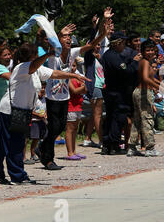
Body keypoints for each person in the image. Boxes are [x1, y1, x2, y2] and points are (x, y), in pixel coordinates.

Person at [0, 43, 90, 185]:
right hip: (12, 110)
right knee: (16, 143)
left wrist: (73, 75)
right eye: (36, 54)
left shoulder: (36, 69)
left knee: (6, 141)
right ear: (32, 56)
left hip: (21, 110)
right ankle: (18, 176)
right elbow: (35, 65)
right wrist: (48, 54)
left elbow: (54, 73)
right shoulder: (22, 68)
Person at [36, 11, 112, 170]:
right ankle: (48, 159)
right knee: (54, 128)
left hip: (64, 96)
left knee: (59, 127)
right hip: (52, 97)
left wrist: (102, 29)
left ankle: (42, 147)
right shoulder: (53, 55)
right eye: (65, 38)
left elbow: (91, 45)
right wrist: (58, 33)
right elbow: (49, 42)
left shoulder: (72, 53)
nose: (68, 39)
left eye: (69, 38)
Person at [101, 32, 140, 155]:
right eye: (123, 43)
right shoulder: (112, 56)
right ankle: (113, 145)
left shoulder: (112, 55)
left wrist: (130, 60)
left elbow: (123, 62)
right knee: (117, 118)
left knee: (111, 117)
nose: (124, 46)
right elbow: (125, 71)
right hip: (117, 92)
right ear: (117, 43)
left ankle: (108, 144)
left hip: (113, 91)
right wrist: (134, 62)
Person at [133, 40, 164, 156]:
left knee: (137, 120)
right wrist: (158, 86)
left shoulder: (146, 62)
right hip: (143, 92)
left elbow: (150, 78)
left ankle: (132, 147)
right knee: (147, 120)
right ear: (142, 51)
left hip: (140, 92)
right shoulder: (145, 62)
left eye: (152, 50)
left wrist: (161, 84)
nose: (150, 52)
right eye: (147, 50)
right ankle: (150, 147)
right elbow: (145, 78)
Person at [83, 43, 104, 148]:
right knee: (98, 114)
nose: (98, 46)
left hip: (101, 86)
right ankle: (102, 141)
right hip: (95, 87)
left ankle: (87, 138)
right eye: (96, 44)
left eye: (100, 45)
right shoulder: (89, 57)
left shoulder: (100, 57)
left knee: (94, 114)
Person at [65, 61, 87, 160]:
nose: (73, 68)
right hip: (70, 106)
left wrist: (82, 87)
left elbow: (85, 89)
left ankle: (74, 151)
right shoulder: (67, 78)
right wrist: (82, 87)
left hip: (78, 105)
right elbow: (74, 90)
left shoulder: (77, 77)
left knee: (75, 129)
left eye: (74, 66)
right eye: (71, 66)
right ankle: (70, 152)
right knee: (70, 129)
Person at [24, 81, 47, 165]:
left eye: (44, 88)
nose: (43, 89)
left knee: (38, 138)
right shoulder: (33, 99)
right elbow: (30, 110)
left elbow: (45, 108)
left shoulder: (44, 98)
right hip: (33, 121)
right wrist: (38, 115)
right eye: (41, 87)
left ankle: (34, 153)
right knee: (31, 138)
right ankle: (28, 155)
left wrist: (45, 114)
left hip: (41, 120)